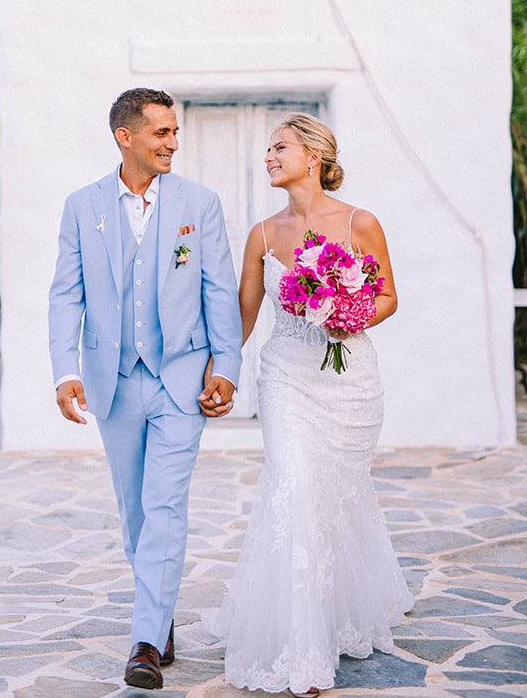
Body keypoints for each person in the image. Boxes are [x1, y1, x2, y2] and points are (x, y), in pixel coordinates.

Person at [209, 113, 414, 695]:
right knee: (293, 488)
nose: (269, 156)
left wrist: (348, 314)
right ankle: (302, 649)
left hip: (349, 382)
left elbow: (388, 295)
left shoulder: (359, 222)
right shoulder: (263, 234)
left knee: (335, 500)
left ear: (315, 156)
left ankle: (339, 610)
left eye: (280, 147)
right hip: (286, 375)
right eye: (267, 149)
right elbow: (244, 316)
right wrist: (221, 373)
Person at [48, 87, 242, 690]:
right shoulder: (82, 207)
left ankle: (144, 644)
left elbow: (218, 289)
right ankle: (159, 615)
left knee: (163, 506)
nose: (172, 143)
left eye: (175, 131)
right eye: (160, 132)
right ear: (124, 137)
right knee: (135, 515)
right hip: (113, 381)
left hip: (179, 379)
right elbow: (66, 294)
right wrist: (65, 369)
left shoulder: (199, 204)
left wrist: (225, 366)